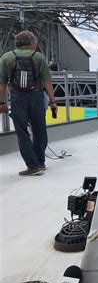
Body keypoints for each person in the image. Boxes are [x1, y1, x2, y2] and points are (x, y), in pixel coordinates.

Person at [0, 31, 58, 176]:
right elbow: (47, 81)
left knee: (22, 132)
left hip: (17, 98)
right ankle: (40, 162)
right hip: (36, 97)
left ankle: (32, 165)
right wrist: (53, 101)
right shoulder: (38, 57)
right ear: (32, 43)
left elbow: (2, 84)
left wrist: (1, 103)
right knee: (39, 130)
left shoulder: (7, 57)